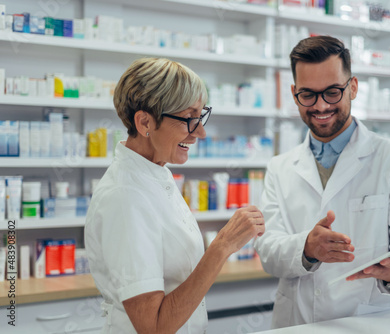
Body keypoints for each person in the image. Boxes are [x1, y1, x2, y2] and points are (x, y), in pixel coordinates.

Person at [254, 35, 390, 328]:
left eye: (333, 92)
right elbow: (268, 254)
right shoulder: (279, 167)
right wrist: (307, 249)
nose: (321, 105)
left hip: (369, 322)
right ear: (294, 93)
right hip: (297, 322)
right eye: (308, 94)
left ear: (352, 87)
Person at [85, 57, 265, 334]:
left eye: (201, 116)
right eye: (189, 119)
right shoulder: (124, 198)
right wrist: (223, 246)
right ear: (145, 122)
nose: (201, 132)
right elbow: (153, 327)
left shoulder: (156, 172)